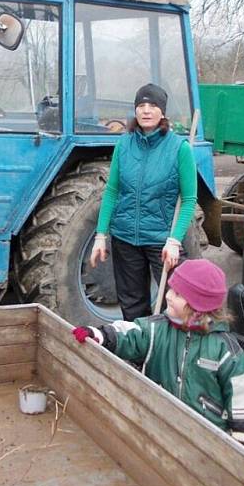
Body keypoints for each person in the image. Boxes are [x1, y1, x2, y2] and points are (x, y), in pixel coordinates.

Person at [72, 259, 244, 443]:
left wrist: (240, 439)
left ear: (197, 308)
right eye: (170, 289)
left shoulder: (225, 350)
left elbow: (240, 390)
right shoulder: (157, 329)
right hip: (158, 424)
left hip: (205, 436)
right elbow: (130, 334)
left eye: (177, 294)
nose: (168, 296)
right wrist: (99, 334)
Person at [90, 83, 197, 321]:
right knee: (132, 307)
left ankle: (172, 353)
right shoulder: (124, 144)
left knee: (178, 305)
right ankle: (138, 356)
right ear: (135, 111)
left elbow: (189, 200)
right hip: (125, 239)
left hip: (162, 241)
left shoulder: (179, 148)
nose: (146, 111)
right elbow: (112, 191)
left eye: (153, 105)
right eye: (141, 105)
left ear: (163, 113)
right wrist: (100, 235)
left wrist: (174, 240)